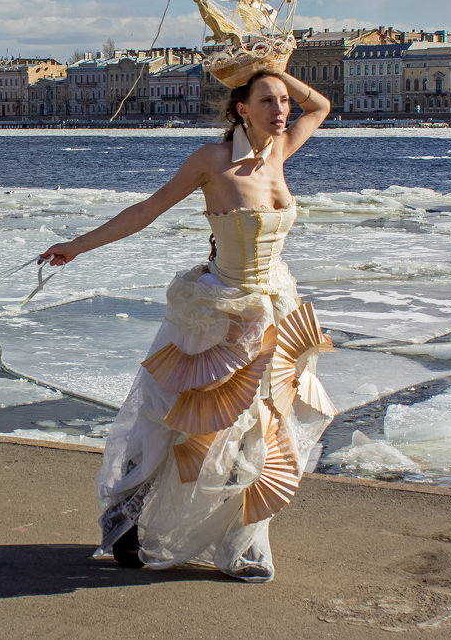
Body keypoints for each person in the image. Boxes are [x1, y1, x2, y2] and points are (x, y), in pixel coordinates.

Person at [40, 70, 334, 582]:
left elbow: (322, 106)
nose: (281, 109)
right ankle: (128, 524)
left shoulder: (280, 152)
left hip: (274, 309)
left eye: (284, 101)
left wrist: (269, 64)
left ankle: (240, 543)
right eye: (267, 101)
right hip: (219, 312)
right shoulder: (211, 161)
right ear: (241, 109)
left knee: (260, 429)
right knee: (184, 425)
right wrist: (76, 246)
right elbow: (146, 211)